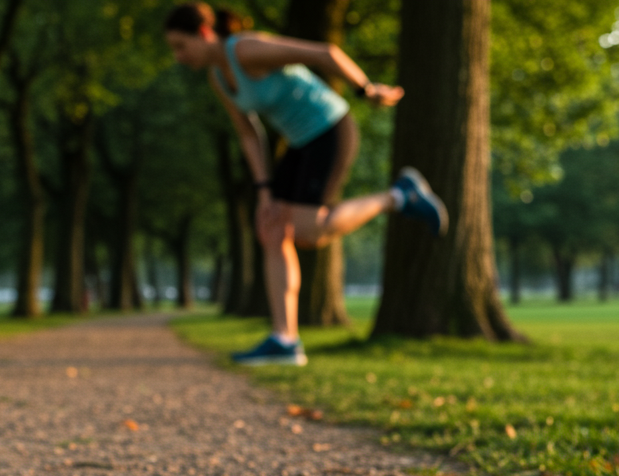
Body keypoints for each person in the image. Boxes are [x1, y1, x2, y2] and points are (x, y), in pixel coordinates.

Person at [164, 3, 447, 365]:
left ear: (205, 33)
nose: (179, 56)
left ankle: (398, 196)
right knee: (272, 228)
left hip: (330, 128)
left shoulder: (246, 49)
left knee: (310, 230)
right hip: (299, 142)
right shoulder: (218, 77)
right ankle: (285, 339)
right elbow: (249, 134)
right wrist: (264, 191)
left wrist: (366, 89)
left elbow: (324, 53)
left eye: (181, 46)